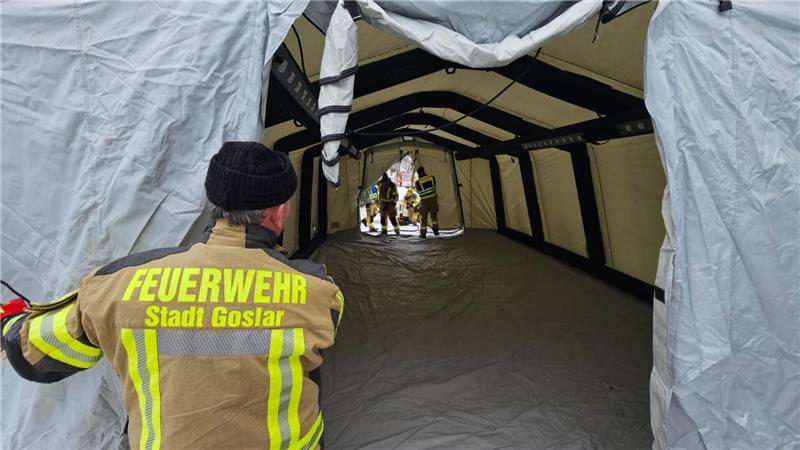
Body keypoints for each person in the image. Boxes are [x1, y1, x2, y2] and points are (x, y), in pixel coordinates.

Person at [0, 142, 344, 450]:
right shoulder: (318, 292)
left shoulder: (119, 283)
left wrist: (10, 321)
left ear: (213, 202)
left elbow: (34, 355)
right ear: (280, 210)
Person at [415, 166, 439, 238]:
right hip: (433, 198)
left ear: (418, 173)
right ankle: (435, 230)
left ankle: (423, 234)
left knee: (424, 217)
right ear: (424, 171)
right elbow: (434, 186)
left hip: (424, 201)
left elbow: (418, 191)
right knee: (434, 215)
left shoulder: (418, 182)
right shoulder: (432, 177)